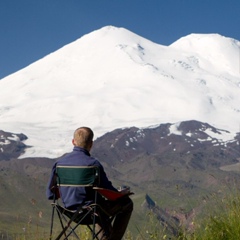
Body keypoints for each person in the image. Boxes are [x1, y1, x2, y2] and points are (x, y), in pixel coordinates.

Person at [47, 127, 133, 240]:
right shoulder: (93, 164)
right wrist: (120, 193)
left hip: (69, 212)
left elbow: (51, 194)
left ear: (73, 142)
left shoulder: (59, 163)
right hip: (91, 213)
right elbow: (108, 192)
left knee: (97, 204)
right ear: (91, 144)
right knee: (126, 203)